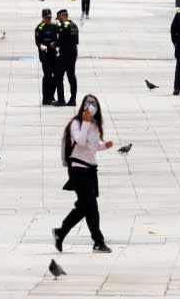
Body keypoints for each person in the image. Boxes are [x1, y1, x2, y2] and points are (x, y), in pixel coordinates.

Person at [53, 94, 114, 253]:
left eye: (94, 103)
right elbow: (79, 141)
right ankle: (98, 242)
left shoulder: (94, 124)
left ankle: (60, 232)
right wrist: (85, 121)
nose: (91, 105)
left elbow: (90, 146)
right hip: (78, 169)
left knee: (84, 206)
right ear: (82, 106)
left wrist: (104, 146)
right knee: (91, 207)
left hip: (90, 170)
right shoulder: (76, 123)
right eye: (88, 102)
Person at [54, 9, 79, 107]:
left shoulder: (64, 26)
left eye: (59, 18)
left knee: (59, 76)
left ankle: (61, 100)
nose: (59, 20)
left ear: (62, 16)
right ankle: (73, 100)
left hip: (65, 54)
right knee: (71, 77)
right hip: (73, 53)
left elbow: (61, 41)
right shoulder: (74, 25)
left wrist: (54, 44)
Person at [35, 8, 59, 105]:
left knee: (57, 75)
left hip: (53, 53)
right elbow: (38, 41)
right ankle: (46, 98)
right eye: (46, 18)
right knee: (47, 76)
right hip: (45, 54)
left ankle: (51, 95)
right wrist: (42, 46)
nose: (48, 19)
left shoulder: (54, 26)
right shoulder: (39, 28)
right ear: (42, 17)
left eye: (49, 17)